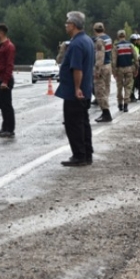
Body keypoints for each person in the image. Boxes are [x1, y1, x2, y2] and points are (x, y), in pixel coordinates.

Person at [55, 11, 95, 167]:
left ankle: (79, 156)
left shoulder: (76, 44)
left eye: (67, 23)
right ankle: (87, 154)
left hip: (75, 93)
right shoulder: (87, 40)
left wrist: (77, 88)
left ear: (73, 25)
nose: (65, 26)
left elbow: (77, 68)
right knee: (83, 123)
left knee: (74, 124)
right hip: (85, 89)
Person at [0, 23, 16, 138]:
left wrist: (5, 81)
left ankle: (10, 129)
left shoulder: (9, 46)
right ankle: (4, 127)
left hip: (5, 80)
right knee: (1, 105)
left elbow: (9, 65)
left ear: (1, 33)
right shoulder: (0, 46)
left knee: (7, 105)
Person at [111, 30, 138, 113]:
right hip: (129, 68)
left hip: (119, 69)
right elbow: (136, 58)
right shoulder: (130, 45)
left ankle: (120, 104)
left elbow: (114, 60)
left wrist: (114, 71)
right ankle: (126, 104)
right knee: (128, 87)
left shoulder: (116, 46)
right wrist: (136, 68)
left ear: (118, 36)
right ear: (125, 36)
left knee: (119, 87)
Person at [92, 22, 113, 122]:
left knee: (100, 91)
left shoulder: (99, 41)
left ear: (94, 30)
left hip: (102, 67)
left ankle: (106, 113)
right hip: (108, 65)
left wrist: (97, 70)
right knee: (106, 89)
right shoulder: (108, 38)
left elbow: (100, 56)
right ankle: (105, 110)